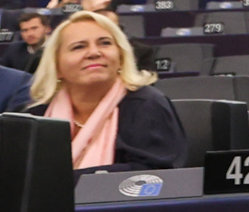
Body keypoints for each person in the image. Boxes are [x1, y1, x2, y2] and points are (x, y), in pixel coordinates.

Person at [23, 11, 185, 169]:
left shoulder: (146, 105)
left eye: (105, 43)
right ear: (56, 66)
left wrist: (58, 182)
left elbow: (149, 176)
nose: (94, 53)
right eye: (78, 47)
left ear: (121, 57)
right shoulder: (36, 116)